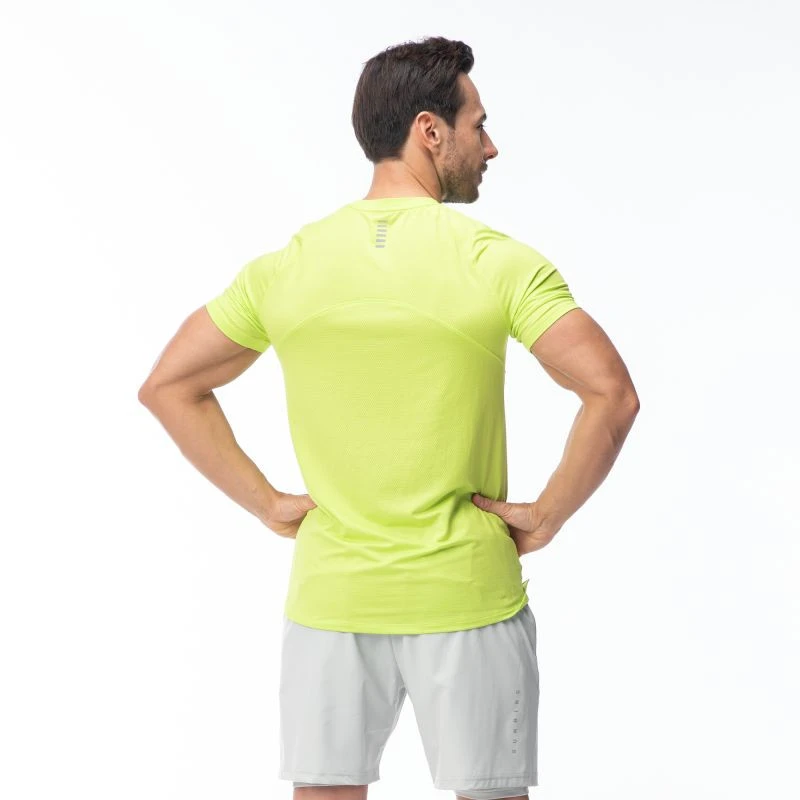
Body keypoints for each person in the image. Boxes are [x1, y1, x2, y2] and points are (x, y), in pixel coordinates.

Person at [138, 35, 640, 800]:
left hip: (333, 597)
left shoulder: (289, 267)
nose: (490, 146)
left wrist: (267, 503)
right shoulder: (495, 261)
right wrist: (547, 517)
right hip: (467, 597)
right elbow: (612, 392)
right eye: (478, 124)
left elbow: (170, 384)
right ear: (429, 131)